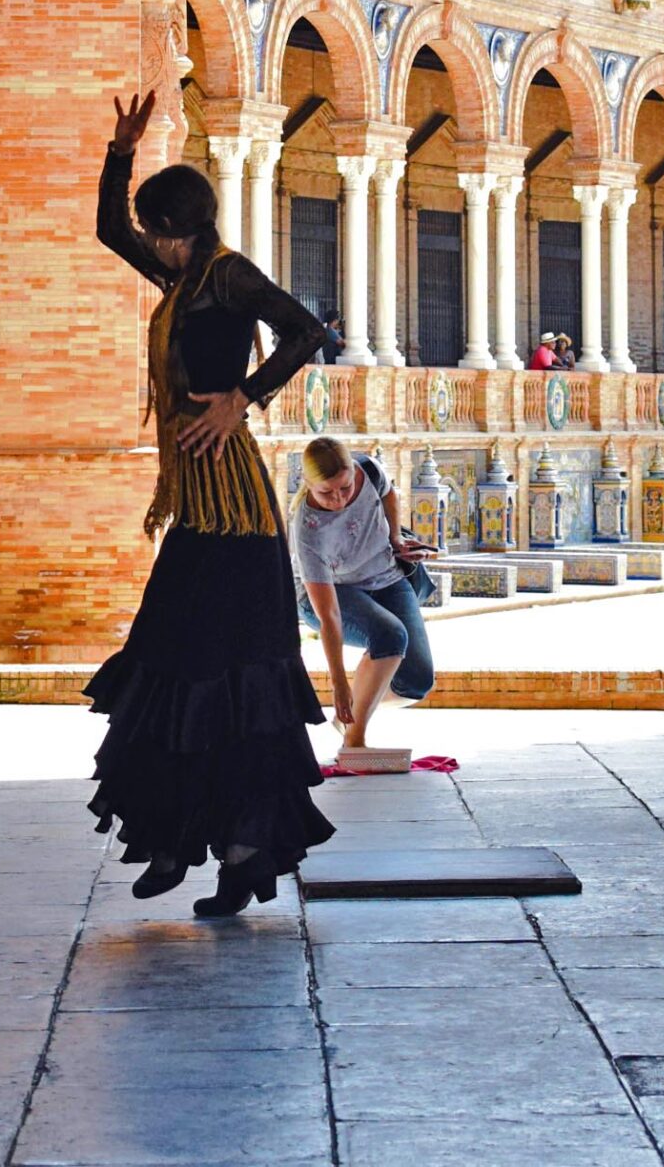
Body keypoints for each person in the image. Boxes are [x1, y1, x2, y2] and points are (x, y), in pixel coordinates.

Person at [87, 89, 335, 920]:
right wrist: (121, 152)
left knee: (237, 680)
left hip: (235, 507)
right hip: (197, 504)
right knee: (169, 664)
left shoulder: (225, 276)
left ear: (180, 226)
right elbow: (108, 232)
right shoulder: (181, 273)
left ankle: (236, 857)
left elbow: (307, 330)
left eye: (157, 226)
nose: (149, 240)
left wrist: (243, 396)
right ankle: (170, 836)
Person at [292, 435, 436, 749]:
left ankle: (352, 712)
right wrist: (339, 684)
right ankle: (354, 740)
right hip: (334, 593)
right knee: (390, 636)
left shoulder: (368, 469)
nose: (339, 500)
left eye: (345, 488)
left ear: (354, 471)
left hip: (385, 578)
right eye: (326, 492)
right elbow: (328, 615)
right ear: (307, 483)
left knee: (417, 682)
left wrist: (396, 538)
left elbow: (389, 495)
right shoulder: (308, 529)